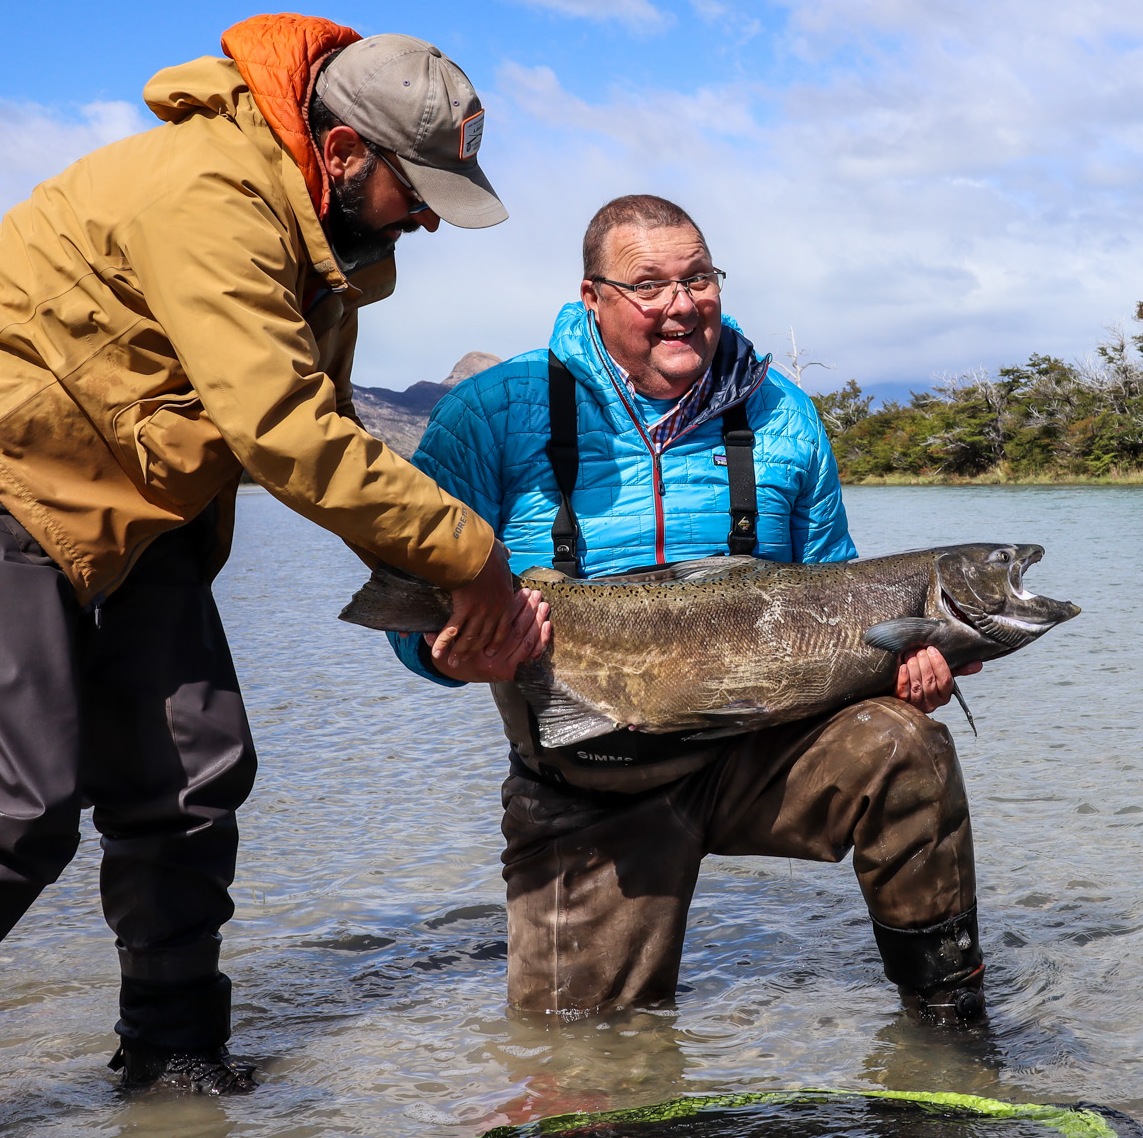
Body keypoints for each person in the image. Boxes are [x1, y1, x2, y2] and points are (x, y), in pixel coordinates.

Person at [0, 14, 550, 1138]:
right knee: (12, 788)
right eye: (420, 191)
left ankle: (172, 1061)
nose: (432, 223)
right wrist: (475, 558)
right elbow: (285, 436)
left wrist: (444, 585)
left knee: (196, 765)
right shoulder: (212, 191)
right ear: (344, 154)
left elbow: (323, 429)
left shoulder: (326, 251)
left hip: (118, 485)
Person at [390, 194, 990, 1026]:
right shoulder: (489, 415)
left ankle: (950, 1025)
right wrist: (445, 654)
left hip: (762, 756)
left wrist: (901, 666)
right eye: (650, 285)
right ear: (592, 296)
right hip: (587, 787)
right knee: (584, 1069)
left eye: (699, 278)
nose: (682, 304)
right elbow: (409, 618)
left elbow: (836, 598)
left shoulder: (786, 417)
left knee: (907, 747)